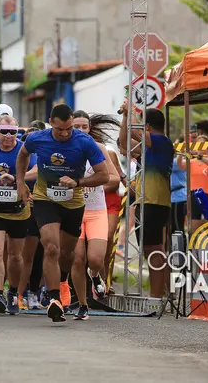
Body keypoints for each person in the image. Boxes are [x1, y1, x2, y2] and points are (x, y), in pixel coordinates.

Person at [16, 103, 110, 322]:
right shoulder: (37, 138)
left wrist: (78, 182)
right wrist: (21, 183)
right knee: (50, 248)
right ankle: (54, 299)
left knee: (68, 254)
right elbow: (22, 155)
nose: (66, 133)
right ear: (51, 123)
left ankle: (63, 280)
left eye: (69, 128)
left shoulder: (84, 142)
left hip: (73, 203)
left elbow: (104, 175)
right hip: (45, 198)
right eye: (60, 130)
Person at [0, 115, 36, 315]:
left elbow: (37, 169)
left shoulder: (24, 149)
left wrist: (18, 178)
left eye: (13, 132)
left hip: (18, 209)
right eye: (4, 131)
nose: (8, 136)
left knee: (15, 255)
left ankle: (13, 291)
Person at [118, 101, 175, 299]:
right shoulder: (148, 148)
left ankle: (157, 296)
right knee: (151, 250)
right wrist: (126, 117)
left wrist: (131, 110)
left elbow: (135, 134)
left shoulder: (162, 142)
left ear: (147, 127)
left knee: (154, 250)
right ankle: (167, 293)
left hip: (156, 202)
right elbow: (124, 143)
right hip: (145, 202)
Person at [70, 111, 121, 320]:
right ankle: (83, 305)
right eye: (76, 127)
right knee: (77, 259)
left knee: (95, 259)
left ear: (89, 129)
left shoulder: (98, 149)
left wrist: (89, 183)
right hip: (74, 211)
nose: (81, 130)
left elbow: (115, 179)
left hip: (96, 211)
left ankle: (96, 276)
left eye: (84, 127)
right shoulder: (64, 151)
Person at [181, 119, 208, 232]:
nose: (200, 147)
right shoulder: (192, 161)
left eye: (203, 145)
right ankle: (194, 247)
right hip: (194, 194)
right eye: (198, 145)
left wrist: (201, 157)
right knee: (193, 225)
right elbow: (181, 164)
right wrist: (181, 152)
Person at [170, 138, 187, 234]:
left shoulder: (178, 162)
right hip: (173, 196)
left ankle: (181, 247)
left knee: (177, 227)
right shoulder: (174, 160)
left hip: (178, 197)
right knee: (173, 227)